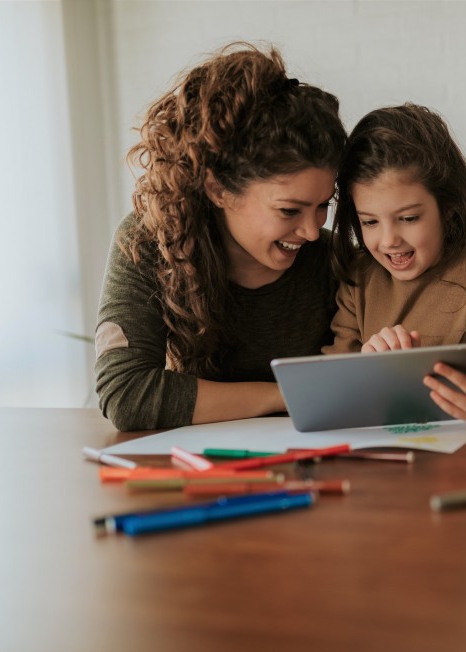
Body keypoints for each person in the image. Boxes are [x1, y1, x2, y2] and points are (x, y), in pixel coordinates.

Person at [94, 43, 346, 431]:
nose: (313, 231)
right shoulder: (149, 243)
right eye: (289, 211)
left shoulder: (332, 259)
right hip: (202, 473)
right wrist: (290, 393)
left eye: (322, 205)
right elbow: (127, 394)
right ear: (218, 189)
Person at [324, 103, 466, 419]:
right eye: (370, 222)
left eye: (408, 218)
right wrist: (365, 368)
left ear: (447, 207)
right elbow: (329, 393)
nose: (388, 240)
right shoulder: (359, 280)